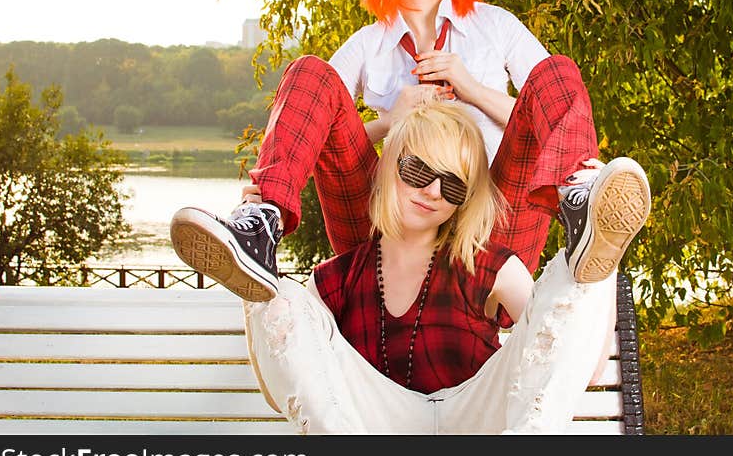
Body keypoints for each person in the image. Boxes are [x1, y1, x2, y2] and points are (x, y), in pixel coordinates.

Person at [169, 0, 651, 304]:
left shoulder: (496, 27)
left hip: (489, 225)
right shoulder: (368, 44)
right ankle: (260, 226)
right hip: (388, 229)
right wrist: (387, 122)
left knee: (558, 73)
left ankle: (582, 207)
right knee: (310, 73)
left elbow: (553, 115)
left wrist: (473, 89)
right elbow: (316, 132)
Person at [242, 100, 622, 433]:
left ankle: (587, 230)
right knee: (284, 298)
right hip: (369, 431)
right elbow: (289, 388)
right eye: (419, 172)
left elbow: (577, 365)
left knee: (566, 284)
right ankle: (256, 242)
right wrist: (263, 300)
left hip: (476, 424)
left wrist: (595, 273)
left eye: (453, 186)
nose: (434, 192)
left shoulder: (489, 266)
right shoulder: (334, 280)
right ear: (389, 166)